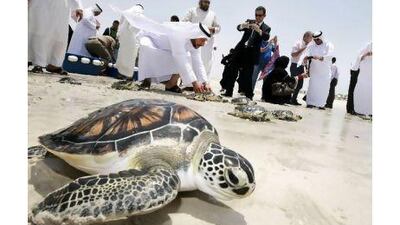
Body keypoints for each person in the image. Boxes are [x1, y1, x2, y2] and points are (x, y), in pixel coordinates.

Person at [119, 9, 212, 93]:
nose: (204, 44)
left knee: (187, 57)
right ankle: (146, 81)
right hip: (152, 40)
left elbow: (198, 63)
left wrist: (205, 82)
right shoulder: (179, 35)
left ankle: (171, 85)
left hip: (168, 49)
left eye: (205, 41)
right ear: (195, 35)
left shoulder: (195, 43)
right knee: (147, 48)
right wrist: (195, 83)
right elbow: (181, 59)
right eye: (203, 40)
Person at [223, 6, 271, 99]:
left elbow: (266, 37)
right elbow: (238, 28)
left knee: (248, 75)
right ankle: (228, 92)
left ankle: (249, 96)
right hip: (240, 49)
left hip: (251, 53)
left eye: (260, 15)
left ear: (264, 15)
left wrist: (259, 30)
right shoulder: (250, 21)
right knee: (232, 70)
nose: (257, 17)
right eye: (256, 15)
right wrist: (243, 26)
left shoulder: (266, 27)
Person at [28, 0, 83, 74]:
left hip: (61, 8)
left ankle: (55, 64)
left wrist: (77, 7)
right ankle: (38, 64)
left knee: (60, 37)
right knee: (40, 33)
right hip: (41, 5)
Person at [183, 0, 221, 80]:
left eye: (208, 2)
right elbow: (184, 22)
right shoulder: (192, 11)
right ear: (200, 2)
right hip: (193, 42)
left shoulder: (212, 14)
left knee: (206, 63)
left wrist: (213, 29)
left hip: (207, 44)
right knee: (191, 61)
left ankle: (203, 83)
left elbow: (218, 28)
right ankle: (190, 83)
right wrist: (195, 28)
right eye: (205, 2)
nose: (207, 4)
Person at [304, 31, 334, 109]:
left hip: (325, 72)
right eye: (315, 39)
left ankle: (321, 104)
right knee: (312, 87)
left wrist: (320, 57)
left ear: (321, 38)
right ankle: (310, 103)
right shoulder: (311, 46)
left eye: (317, 39)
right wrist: (307, 58)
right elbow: (306, 55)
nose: (316, 41)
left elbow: (330, 56)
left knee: (323, 88)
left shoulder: (328, 45)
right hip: (314, 71)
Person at [114, 4, 144, 78]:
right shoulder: (139, 14)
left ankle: (119, 74)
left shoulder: (125, 12)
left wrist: (118, 35)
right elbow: (136, 28)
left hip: (124, 38)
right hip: (132, 39)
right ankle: (129, 76)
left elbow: (120, 25)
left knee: (122, 56)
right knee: (131, 58)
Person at [289, 31, 314, 105]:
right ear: (305, 37)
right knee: (293, 83)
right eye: (311, 38)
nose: (312, 40)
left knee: (299, 85)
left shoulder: (309, 46)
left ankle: (293, 99)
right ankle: (289, 99)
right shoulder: (298, 43)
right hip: (295, 65)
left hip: (302, 67)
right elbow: (293, 54)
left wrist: (306, 69)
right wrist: (304, 48)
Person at [353, 42, 372, 116]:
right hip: (364, 75)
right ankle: (359, 110)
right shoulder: (366, 49)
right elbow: (359, 57)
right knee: (361, 90)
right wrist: (367, 54)